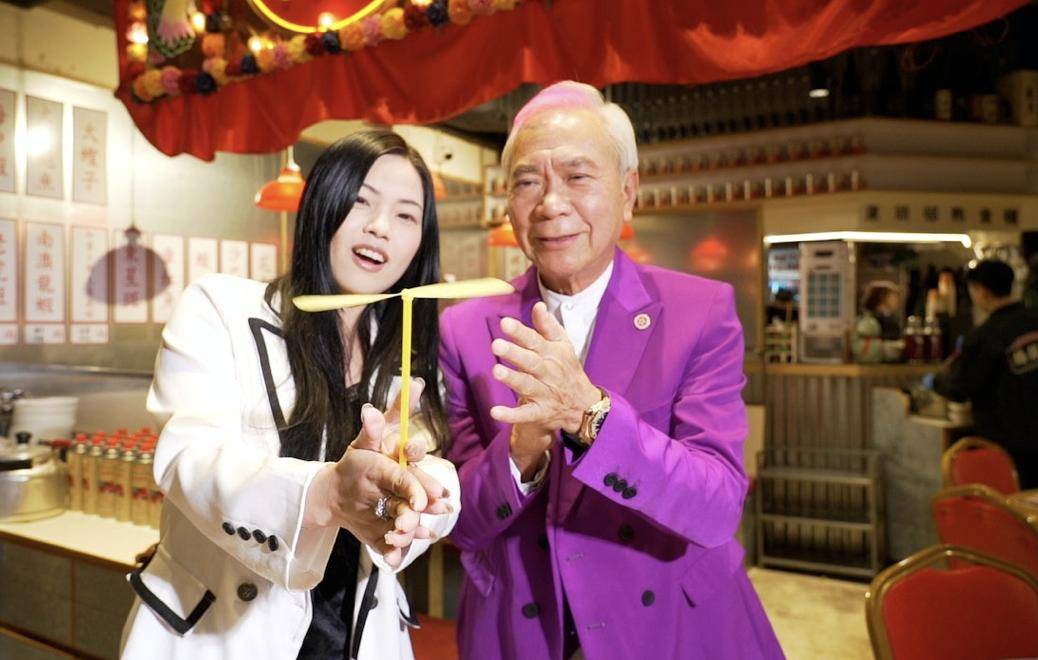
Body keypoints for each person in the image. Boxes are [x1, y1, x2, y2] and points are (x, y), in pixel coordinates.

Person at [440, 82, 782, 659]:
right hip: (526, 627)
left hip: (670, 625)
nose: (551, 203)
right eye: (528, 182)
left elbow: (718, 507)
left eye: (578, 176)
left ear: (628, 193)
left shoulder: (698, 311)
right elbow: (464, 524)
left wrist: (588, 415)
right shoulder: (464, 327)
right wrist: (520, 454)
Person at [120, 130, 461, 659]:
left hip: (354, 639)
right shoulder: (220, 309)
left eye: (405, 215)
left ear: (421, 241)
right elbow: (191, 459)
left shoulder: (408, 358)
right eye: (361, 201)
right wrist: (326, 493)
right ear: (322, 204)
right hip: (222, 636)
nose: (380, 226)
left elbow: (432, 467)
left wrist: (419, 504)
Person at [930, 259, 1038, 488]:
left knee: (1011, 506)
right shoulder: (1034, 321)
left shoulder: (984, 336)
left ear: (981, 290)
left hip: (1008, 447)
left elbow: (959, 388)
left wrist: (935, 382)